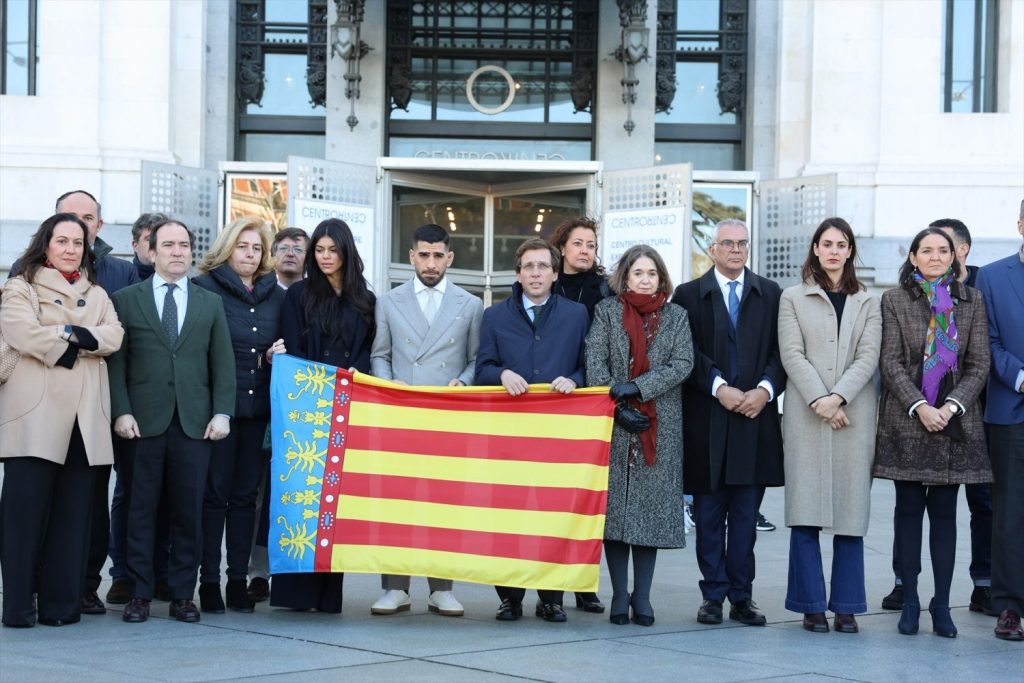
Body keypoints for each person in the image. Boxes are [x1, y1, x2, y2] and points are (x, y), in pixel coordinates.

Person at [108, 219, 236, 624]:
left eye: (184, 245)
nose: (178, 251)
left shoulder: (209, 303)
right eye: (169, 245)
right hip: (141, 424)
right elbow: (116, 365)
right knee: (140, 511)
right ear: (151, 251)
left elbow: (223, 363)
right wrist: (121, 410)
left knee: (189, 513)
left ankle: (183, 594)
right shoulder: (126, 300)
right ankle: (140, 593)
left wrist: (222, 412)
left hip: (195, 424)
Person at [0, 213, 124, 627]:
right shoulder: (21, 286)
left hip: (85, 419)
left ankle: (60, 607)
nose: (71, 250)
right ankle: (17, 606)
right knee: (23, 517)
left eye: (78, 243)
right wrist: (77, 341)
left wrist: (66, 332)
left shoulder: (100, 292)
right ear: (46, 243)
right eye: (62, 241)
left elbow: (114, 336)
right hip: (34, 415)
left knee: (74, 520)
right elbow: (22, 333)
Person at [873, 226, 991, 638]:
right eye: (927, 250)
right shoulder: (893, 299)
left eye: (943, 250)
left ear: (955, 257)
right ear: (913, 257)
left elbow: (978, 363)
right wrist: (921, 406)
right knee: (907, 514)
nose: (936, 257)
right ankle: (910, 601)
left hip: (955, 425)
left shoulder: (972, 300)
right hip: (908, 422)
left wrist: (949, 407)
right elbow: (889, 362)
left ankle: (942, 604)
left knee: (944, 516)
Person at [671, 218, 785, 628]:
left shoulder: (770, 293)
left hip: (755, 420)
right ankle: (712, 596)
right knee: (708, 516)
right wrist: (719, 387)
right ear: (713, 250)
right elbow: (686, 354)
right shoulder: (686, 296)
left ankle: (742, 596)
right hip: (707, 420)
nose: (736, 250)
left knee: (744, 521)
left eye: (742, 243)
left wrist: (765, 390)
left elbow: (782, 350)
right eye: (727, 244)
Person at [369, 223, 483, 617]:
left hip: (447, 415)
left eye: (438, 255)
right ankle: (395, 586)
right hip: (400, 413)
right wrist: (389, 384)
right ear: (412, 256)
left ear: (450, 258)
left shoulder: (470, 305)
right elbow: (379, 354)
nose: (431, 263)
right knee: (396, 501)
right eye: (423, 254)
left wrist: (464, 381)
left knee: (444, 501)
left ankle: (442, 588)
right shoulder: (388, 301)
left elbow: (474, 359)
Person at [34, 191, 139, 616]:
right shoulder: (26, 275)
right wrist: (83, 339)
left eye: (88, 218)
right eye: (69, 219)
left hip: (100, 403)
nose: (79, 227)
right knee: (41, 496)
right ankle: (39, 582)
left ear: (99, 225)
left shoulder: (121, 273)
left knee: (92, 501)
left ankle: (85, 584)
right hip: (44, 405)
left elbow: (123, 337)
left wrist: (68, 335)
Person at [475, 238, 589, 623]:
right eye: (529, 267)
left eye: (543, 266)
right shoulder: (494, 316)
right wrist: (502, 373)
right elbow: (481, 369)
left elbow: (589, 368)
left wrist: (574, 379)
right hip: (509, 434)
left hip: (559, 434)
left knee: (554, 515)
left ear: (556, 274)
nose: (536, 273)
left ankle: (551, 597)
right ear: (518, 274)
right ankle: (510, 597)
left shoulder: (576, 315)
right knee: (508, 517)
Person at [777, 218, 881, 634]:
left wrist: (837, 397)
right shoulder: (792, 298)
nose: (834, 251)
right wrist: (820, 399)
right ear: (815, 249)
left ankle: (847, 605)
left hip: (853, 416)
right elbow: (791, 352)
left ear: (851, 250)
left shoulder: (869, 301)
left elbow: (869, 356)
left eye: (842, 244)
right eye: (827, 244)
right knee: (806, 511)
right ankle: (810, 605)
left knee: (850, 513)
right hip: (806, 413)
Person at [584, 245, 693, 627]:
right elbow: (594, 361)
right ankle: (618, 594)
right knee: (616, 515)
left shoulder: (677, 316)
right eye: (637, 273)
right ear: (625, 278)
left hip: (659, 425)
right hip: (614, 423)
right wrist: (618, 403)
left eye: (651, 273)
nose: (645, 280)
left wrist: (638, 387)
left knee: (647, 514)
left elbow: (682, 363)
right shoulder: (607, 312)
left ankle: (642, 596)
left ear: (661, 278)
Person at [272, 218, 375, 613]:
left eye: (333, 250)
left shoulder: (365, 299)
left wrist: (352, 378)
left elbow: (366, 351)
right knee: (300, 500)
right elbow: (294, 350)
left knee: (334, 503)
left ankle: (329, 596)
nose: (326, 257)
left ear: (346, 252)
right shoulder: (298, 295)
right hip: (304, 408)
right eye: (320, 250)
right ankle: (295, 595)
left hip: (346, 410)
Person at [193, 217, 286, 614]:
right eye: (242, 247)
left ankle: (238, 581)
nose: (249, 255)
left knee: (245, 498)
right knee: (214, 498)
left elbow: (282, 348)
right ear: (227, 248)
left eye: (256, 249)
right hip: (219, 413)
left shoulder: (275, 296)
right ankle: (209, 582)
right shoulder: (204, 288)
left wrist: (272, 355)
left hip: (257, 412)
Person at [105, 211, 173, 606]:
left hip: (174, 411)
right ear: (138, 245)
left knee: (168, 494)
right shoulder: (121, 283)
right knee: (129, 494)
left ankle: (160, 572)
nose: (157, 248)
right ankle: (123, 573)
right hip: (132, 409)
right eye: (152, 241)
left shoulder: (187, 288)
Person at [548, 216, 611, 613]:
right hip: (547, 402)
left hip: (587, 401)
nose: (586, 250)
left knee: (585, 500)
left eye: (591, 244)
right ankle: (551, 581)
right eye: (579, 244)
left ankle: (584, 584)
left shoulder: (605, 291)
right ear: (562, 248)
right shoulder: (544, 282)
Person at [247, 227, 309, 601]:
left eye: (297, 248)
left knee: (286, 492)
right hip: (260, 408)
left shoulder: (312, 296)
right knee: (258, 495)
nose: (289, 254)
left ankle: (289, 570)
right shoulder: (261, 294)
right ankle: (256, 572)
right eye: (282, 247)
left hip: (300, 412)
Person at [974, 200, 1024, 642]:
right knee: (1008, 512)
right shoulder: (991, 276)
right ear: (1021, 224)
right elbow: (986, 340)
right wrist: (1021, 377)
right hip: (1011, 410)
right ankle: (1008, 607)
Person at [549, 216, 611, 321]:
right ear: (562, 248)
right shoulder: (547, 288)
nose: (584, 251)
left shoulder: (606, 289)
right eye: (577, 243)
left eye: (591, 246)